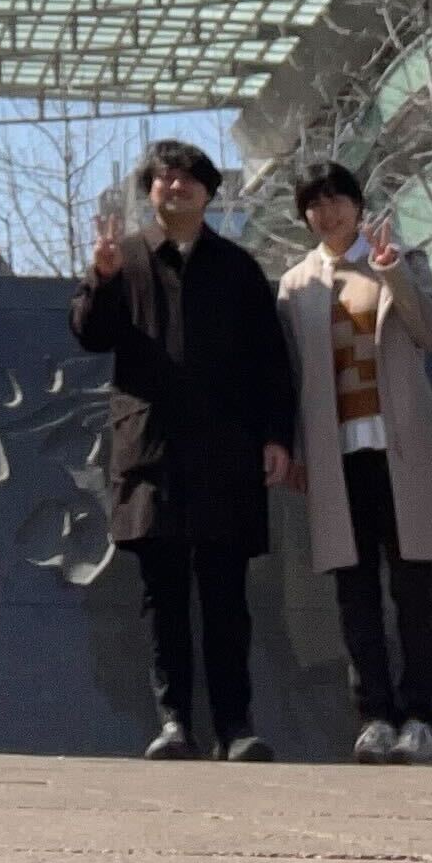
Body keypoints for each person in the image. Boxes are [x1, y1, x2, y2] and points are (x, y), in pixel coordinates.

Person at [71, 138, 298, 762]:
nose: (176, 187)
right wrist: (100, 279)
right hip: (153, 451)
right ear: (150, 190)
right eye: (164, 178)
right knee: (162, 595)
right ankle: (174, 721)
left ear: (209, 192)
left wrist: (276, 436)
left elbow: (270, 362)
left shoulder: (238, 267)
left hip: (227, 453)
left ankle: (235, 727)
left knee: (227, 596)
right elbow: (90, 334)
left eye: (188, 179)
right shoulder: (125, 259)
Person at [277, 162, 432, 767]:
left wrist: (392, 274)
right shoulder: (295, 285)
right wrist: (295, 449)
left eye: (337, 199)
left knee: (415, 589)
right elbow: (290, 377)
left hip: (402, 450)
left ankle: (420, 716)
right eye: (314, 204)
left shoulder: (402, 259)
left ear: (358, 205)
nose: (327, 213)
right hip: (336, 457)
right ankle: (374, 715)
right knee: (354, 592)